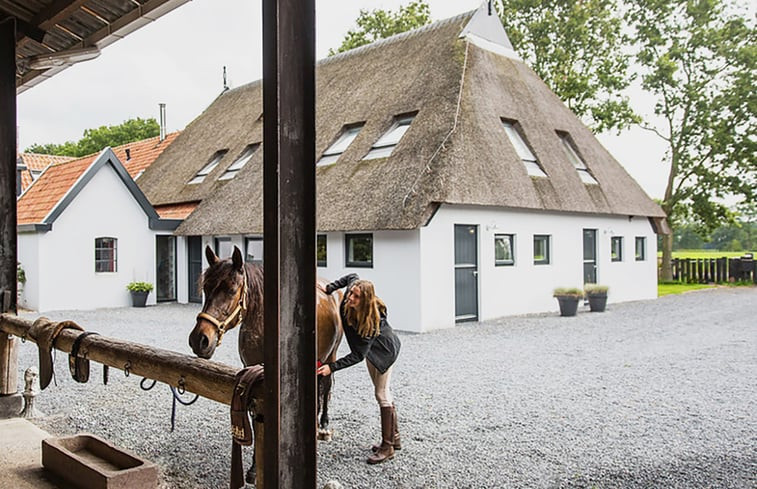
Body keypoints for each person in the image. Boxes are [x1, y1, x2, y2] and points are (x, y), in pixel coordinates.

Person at [317, 274, 401, 464]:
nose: (350, 298)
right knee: (384, 393)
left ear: (365, 301)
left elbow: (358, 355)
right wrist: (330, 288)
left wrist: (332, 367)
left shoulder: (370, 321)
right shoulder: (353, 288)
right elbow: (351, 277)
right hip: (372, 352)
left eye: (355, 297)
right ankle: (394, 438)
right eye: (351, 294)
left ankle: (387, 447)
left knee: (382, 395)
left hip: (384, 352)